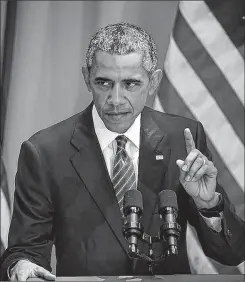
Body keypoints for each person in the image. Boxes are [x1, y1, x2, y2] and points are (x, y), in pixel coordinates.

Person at [0, 22, 244, 281]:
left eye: (130, 84)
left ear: (154, 82)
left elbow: (232, 254)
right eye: (104, 83)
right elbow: (24, 250)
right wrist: (22, 266)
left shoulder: (182, 139)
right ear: (87, 78)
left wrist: (208, 205)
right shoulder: (45, 152)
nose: (116, 99)